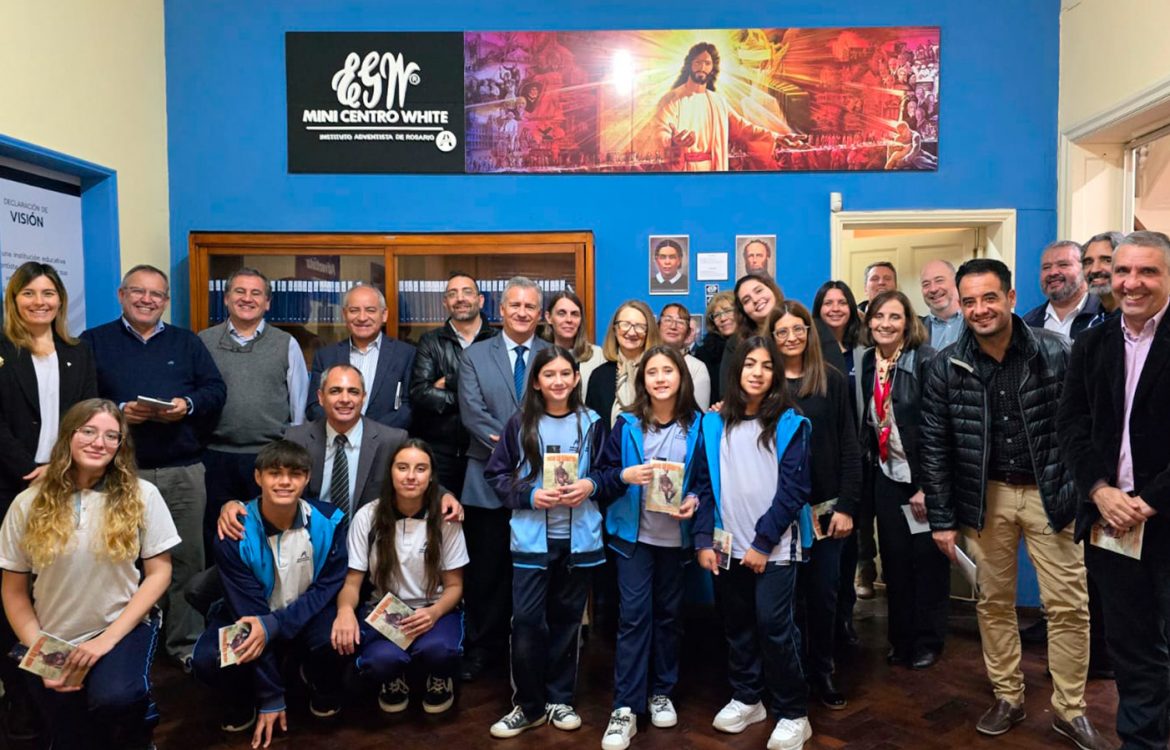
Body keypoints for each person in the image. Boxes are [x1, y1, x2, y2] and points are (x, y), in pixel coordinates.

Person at [921, 259, 1106, 748]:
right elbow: (935, 448)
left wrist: (1087, 489)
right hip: (986, 499)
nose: (980, 309)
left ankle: (1070, 708)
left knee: (1068, 605)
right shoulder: (944, 366)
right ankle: (1008, 695)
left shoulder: (1055, 350)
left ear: (1009, 297)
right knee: (993, 602)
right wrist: (942, 521)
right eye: (970, 301)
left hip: (1052, 494)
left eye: (989, 298)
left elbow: (1085, 426)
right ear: (960, 306)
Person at [0, 399, 178, 750]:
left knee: (116, 697)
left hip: (121, 626)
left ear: (120, 446)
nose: (100, 442)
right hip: (54, 635)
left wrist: (106, 641)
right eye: (89, 431)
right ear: (69, 435)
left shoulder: (143, 495)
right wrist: (43, 653)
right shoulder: (28, 502)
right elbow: (13, 590)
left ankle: (139, 725)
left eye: (112, 436)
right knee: (72, 737)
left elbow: (159, 573)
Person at [81, 264, 226, 668]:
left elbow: (215, 390)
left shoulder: (187, 343)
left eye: (156, 294)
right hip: (120, 473)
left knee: (185, 561)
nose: (147, 300)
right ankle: (126, 644)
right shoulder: (92, 343)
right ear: (121, 295)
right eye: (138, 292)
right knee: (118, 562)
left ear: (166, 301)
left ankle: (184, 644)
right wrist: (119, 413)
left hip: (183, 470)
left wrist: (187, 406)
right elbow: (79, 403)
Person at [1058, 230, 1170, 749]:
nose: (1132, 282)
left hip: (1161, 516)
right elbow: (1073, 425)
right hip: (1110, 524)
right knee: (1132, 647)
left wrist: (1148, 500)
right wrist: (1099, 490)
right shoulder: (1093, 342)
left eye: (1147, 271)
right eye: (1124, 271)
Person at [691, 335, 814, 750]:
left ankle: (793, 711)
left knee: (774, 626)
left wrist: (762, 543)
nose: (757, 372)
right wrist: (703, 539)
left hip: (776, 547)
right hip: (727, 547)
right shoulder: (712, 423)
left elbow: (794, 491)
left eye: (765, 365)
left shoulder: (790, 423)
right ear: (736, 371)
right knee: (737, 625)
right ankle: (748, 698)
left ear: (775, 374)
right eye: (749, 364)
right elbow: (704, 487)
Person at [484, 346, 606, 738]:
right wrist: (530, 496)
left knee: (568, 622)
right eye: (549, 374)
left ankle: (559, 699)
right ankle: (528, 705)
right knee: (527, 623)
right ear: (536, 381)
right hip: (531, 541)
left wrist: (590, 484)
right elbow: (497, 476)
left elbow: (609, 472)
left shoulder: (593, 423)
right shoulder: (519, 423)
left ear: (575, 378)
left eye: (565, 374)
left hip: (578, 541)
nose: (558, 381)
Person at [191, 439, 347, 745]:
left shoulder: (331, 520)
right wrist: (271, 696)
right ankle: (242, 695)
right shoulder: (233, 532)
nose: (285, 481)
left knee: (336, 638)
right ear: (258, 477)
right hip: (249, 612)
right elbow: (252, 617)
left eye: (295, 473)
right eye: (274, 473)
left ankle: (314, 679)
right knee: (207, 660)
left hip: (306, 611)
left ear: (307, 479)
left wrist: (276, 625)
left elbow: (327, 586)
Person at [0, 262, 99, 741]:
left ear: (60, 300)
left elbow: (87, 416)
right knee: (15, 590)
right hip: (11, 484)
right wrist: (29, 471)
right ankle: (21, 696)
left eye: (48, 293)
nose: (40, 302)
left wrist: (60, 468)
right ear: (14, 300)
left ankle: (65, 679)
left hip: (69, 480)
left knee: (58, 584)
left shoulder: (77, 354)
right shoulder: (3, 352)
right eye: (29, 294)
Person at [590, 345, 702, 750]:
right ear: (643, 381)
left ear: (680, 378)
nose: (659, 378)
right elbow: (601, 477)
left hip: (677, 541)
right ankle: (625, 707)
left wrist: (695, 501)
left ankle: (661, 692)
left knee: (670, 616)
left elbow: (706, 483)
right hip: (632, 539)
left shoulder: (700, 425)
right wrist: (624, 474)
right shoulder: (626, 425)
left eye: (667, 371)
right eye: (651, 372)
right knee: (634, 618)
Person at [215, 364, 462, 540]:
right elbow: (273, 485)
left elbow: (413, 476)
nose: (345, 399)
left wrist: (444, 495)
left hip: (370, 548)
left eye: (353, 392)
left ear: (363, 397)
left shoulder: (391, 439)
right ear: (321, 398)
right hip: (307, 546)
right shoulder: (296, 438)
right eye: (335, 391)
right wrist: (235, 505)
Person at [768, 302, 860, 709]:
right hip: (776, 511)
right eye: (782, 331)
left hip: (825, 510)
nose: (790, 337)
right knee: (785, 600)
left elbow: (850, 446)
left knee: (824, 594)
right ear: (772, 338)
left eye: (798, 329)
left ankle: (822, 670)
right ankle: (788, 676)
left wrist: (847, 505)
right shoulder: (763, 383)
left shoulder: (833, 380)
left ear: (809, 332)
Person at [332, 439, 467, 716]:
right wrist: (344, 610)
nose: (410, 476)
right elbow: (352, 582)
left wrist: (434, 612)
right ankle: (393, 678)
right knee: (380, 661)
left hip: (433, 608)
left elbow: (455, 586)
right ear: (391, 472)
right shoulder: (367, 517)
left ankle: (438, 676)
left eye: (420, 469)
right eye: (402, 467)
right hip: (385, 609)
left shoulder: (445, 518)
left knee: (440, 652)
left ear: (431, 477)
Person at [456, 276, 548, 680]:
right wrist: (515, 445)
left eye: (530, 306)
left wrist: (530, 451)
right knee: (486, 575)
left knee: (529, 574)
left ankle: (527, 654)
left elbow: (559, 411)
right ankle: (482, 651)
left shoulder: (554, 355)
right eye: (515, 305)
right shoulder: (475, 356)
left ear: (540, 314)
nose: (522, 312)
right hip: (485, 481)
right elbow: (473, 414)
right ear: (501, 310)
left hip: (539, 483)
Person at [859, 291, 948, 669]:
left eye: (894, 317)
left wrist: (927, 487)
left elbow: (937, 427)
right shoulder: (867, 362)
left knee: (926, 562)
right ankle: (901, 638)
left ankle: (928, 640)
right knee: (895, 562)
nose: (885, 323)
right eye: (879, 316)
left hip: (922, 481)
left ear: (908, 322)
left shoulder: (926, 361)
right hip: (886, 476)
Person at [198, 267, 308, 553]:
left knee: (266, 537)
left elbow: (299, 405)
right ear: (226, 298)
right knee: (218, 536)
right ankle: (219, 597)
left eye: (256, 293)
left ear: (267, 303)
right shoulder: (203, 342)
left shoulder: (286, 344)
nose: (247, 299)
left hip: (268, 458)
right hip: (215, 458)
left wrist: (288, 454)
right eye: (240, 291)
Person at [811, 280, 866, 645]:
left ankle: (845, 618)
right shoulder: (811, 352)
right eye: (827, 303)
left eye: (841, 302)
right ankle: (828, 627)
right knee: (827, 554)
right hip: (828, 460)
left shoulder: (866, 350)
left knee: (850, 546)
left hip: (861, 457)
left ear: (851, 308)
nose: (834, 308)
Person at [409, 271, 497, 498]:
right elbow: (420, 393)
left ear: (480, 300)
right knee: (444, 522)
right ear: (445, 303)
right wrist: (474, 398)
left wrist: (448, 381)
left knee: (485, 526)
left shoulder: (497, 340)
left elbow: (501, 391)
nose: (460, 298)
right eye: (452, 294)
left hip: (488, 450)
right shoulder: (430, 341)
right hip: (443, 452)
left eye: (467, 292)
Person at [652, 42, 796, 172]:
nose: (702, 67)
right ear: (690, 65)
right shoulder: (671, 99)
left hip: (714, 169)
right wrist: (673, 142)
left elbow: (743, 128)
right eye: (698, 62)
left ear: (712, 68)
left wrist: (776, 138)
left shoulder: (718, 101)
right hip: (683, 171)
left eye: (707, 63)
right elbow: (660, 130)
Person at [308, 283, 414, 430]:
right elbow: (314, 406)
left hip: (387, 444)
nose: (362, 317)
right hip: (337, 442)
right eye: (354, 310)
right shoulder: (325, 356)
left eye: (370, 310)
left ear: (384, 315)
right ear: (344, 314)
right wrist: (345, 428)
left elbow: (409, 408)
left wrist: (369, 433)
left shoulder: (406, 354)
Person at [586, 300, 662, 427]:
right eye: (625, 324)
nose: (631, 332)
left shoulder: (659, 373)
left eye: (640, 326)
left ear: (649, 332)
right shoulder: (599, 376)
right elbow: (592, 427)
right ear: (615, 329)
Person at [1021, 240, 1104, 340]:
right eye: (1046, 267)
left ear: (1084, 269)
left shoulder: (1104, 316)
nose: (1052, 272)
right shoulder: (1028, 324)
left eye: (1063, 265)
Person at [542, 289, 605, 395]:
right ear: (549, 318)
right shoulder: (538, 354)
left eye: (575, 314)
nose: (569, 319)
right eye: (561, 313)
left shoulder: (598, 356)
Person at [657, 302, 711, 409]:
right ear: (658, 326)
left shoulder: (697, 367)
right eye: (668, 320)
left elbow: (698, 415)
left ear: (688, 332)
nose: (673, 326)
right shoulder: (645, 361)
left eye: (680, 322)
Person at [693, 291, 737, 402]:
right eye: (716, 315)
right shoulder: (704, 353)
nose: (723, 318)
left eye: (728, 311)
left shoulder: (756, 346)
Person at [919, 259, 963, 349]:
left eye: (939, 280)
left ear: (956, 282)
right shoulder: (915, 330)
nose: (933, 289)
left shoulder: (974, 322)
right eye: (926, 284)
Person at [1081, 231, 1124, 320]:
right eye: (1088, 262)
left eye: (1107, 260)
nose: (1094, 269)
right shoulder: (1091, 323)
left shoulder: (1140, 321)